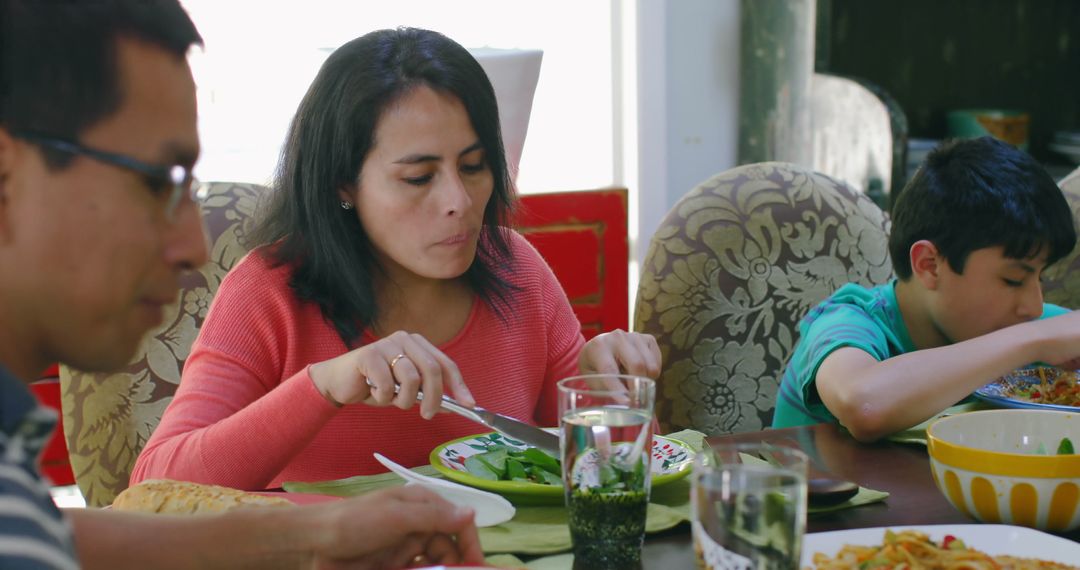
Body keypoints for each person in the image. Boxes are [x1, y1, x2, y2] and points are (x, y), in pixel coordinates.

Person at [0, 1, 483, 567]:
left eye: (473, 166)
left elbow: (53, 533)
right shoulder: (272, 286)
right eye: (156, 183)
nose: (195, 248)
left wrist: (309, 538)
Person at [131, 26, 661, 490]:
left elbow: (597, 479)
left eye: (474, 167)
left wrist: (603, 402)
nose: (458, 200)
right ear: (344, 183)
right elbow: (154, 488)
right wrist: (323, 386)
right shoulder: (268, 293)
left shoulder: (517, 269)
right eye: (418, 177)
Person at [772, 136, 1080, 441]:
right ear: (929, 265)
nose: (1035, 307)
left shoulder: (1036, 331)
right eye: (1013, 280)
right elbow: (864, 405)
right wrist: (1033, 340)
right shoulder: (848, 322)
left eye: (1040, 278)